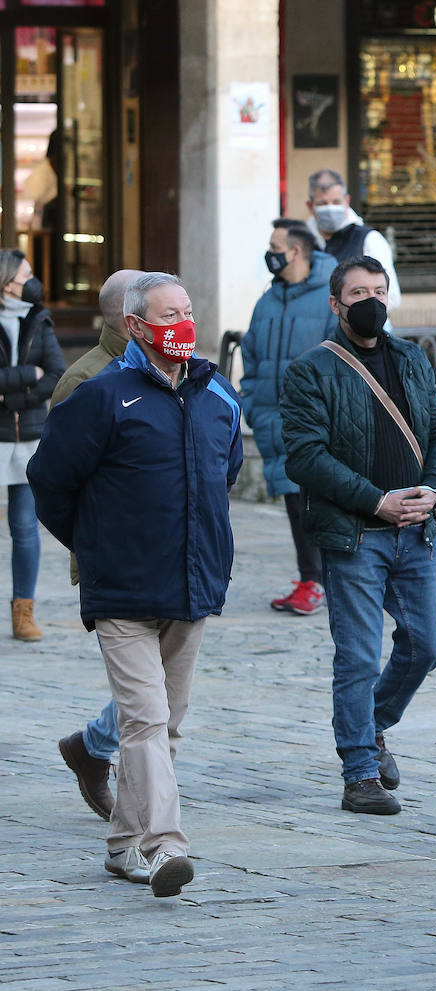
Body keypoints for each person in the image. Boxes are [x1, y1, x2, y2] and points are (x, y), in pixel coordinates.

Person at [27, 272, 243, 898]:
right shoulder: (102, 395)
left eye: (189, 308)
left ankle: (124, 843)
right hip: (122, 590)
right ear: (137, 326)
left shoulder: (215, 393)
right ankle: (162, 846)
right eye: (169, 313)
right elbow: (51, 480)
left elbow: (221, 472)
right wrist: (96, 545)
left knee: (166, 722)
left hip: (192, 584)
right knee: (145, 720)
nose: (183, 321)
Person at [280, 256, 436, 817]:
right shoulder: (311, 369)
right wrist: (375, 500)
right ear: (336, 304)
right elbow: (305, 457)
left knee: (425, 646)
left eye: (379, 291)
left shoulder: (410, 357)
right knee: (356, 657)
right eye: (358, 292)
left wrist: (435, 488)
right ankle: (359, 773)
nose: (371, 301)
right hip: (355, 533)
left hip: (419, 531)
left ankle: (373, 724)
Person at [51, 269, 143, 822]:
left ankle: (90, 747)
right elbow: (56, 480)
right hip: (114, 556)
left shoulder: (168, 369)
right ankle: (141, 811)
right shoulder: (86, 380)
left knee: (160, 681)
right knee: (146, 688)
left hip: (172, 551)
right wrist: (89, 545)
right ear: (128, 317)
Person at [241, 218, 339, 615]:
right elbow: (251, 355)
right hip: (273, 421)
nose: (270, 252)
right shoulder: (268, 299)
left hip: (317, 425)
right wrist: (251, 403)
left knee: (318, 504)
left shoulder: (333, 296)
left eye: (274, 245)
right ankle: (310, 579)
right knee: (293, 503)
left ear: (295, 251)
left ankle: (325, 581)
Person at [0, 248, 64, 642]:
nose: (33, 281)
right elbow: (38, 373)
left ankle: (23, 611)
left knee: (25, 527)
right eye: (26, 274)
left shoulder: (39, 319)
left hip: (29, 437)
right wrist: (27, 374)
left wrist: (11, 397)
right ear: (7, 282)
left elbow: (56, 373)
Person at [304, 169, 402, 315]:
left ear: (347, 201)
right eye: (323, 203)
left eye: (336, 202)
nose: (330, 208)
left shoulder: (369, 240)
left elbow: (391, 298)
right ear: (310, 206)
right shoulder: (303, 242)